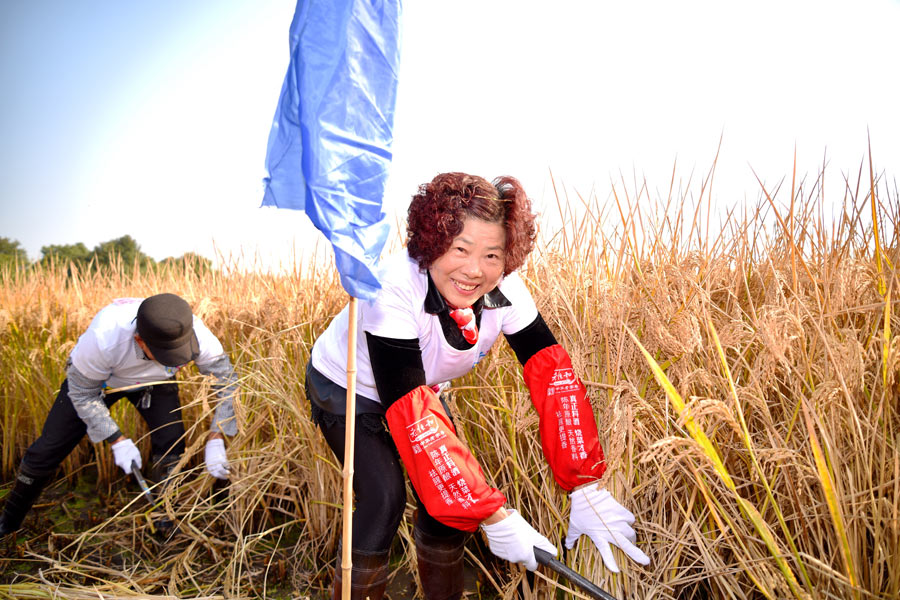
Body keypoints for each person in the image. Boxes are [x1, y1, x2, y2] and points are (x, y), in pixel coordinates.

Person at [306, 172, 651, 600]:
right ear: (432, 242)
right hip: (350, 384)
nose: (475, 270)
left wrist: (585, 485)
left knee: (447, 511)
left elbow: (553, 377)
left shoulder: (507, 291)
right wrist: (493, 514)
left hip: (420, 387)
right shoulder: (393, 286)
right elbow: (410, 410)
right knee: (384, 498)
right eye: (460, 250)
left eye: (492, 255)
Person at [0, 293, 237, 537]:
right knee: (47, 450)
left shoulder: (194, 331)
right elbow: (82, 394)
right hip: (100, 384)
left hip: (155, 384)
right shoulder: (104, 338)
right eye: (167, 355)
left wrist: (217, 434)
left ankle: (166, 517)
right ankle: (9, 523)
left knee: (171, 443)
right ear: (140, 341)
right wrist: (116, 439)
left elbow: (228, 380)